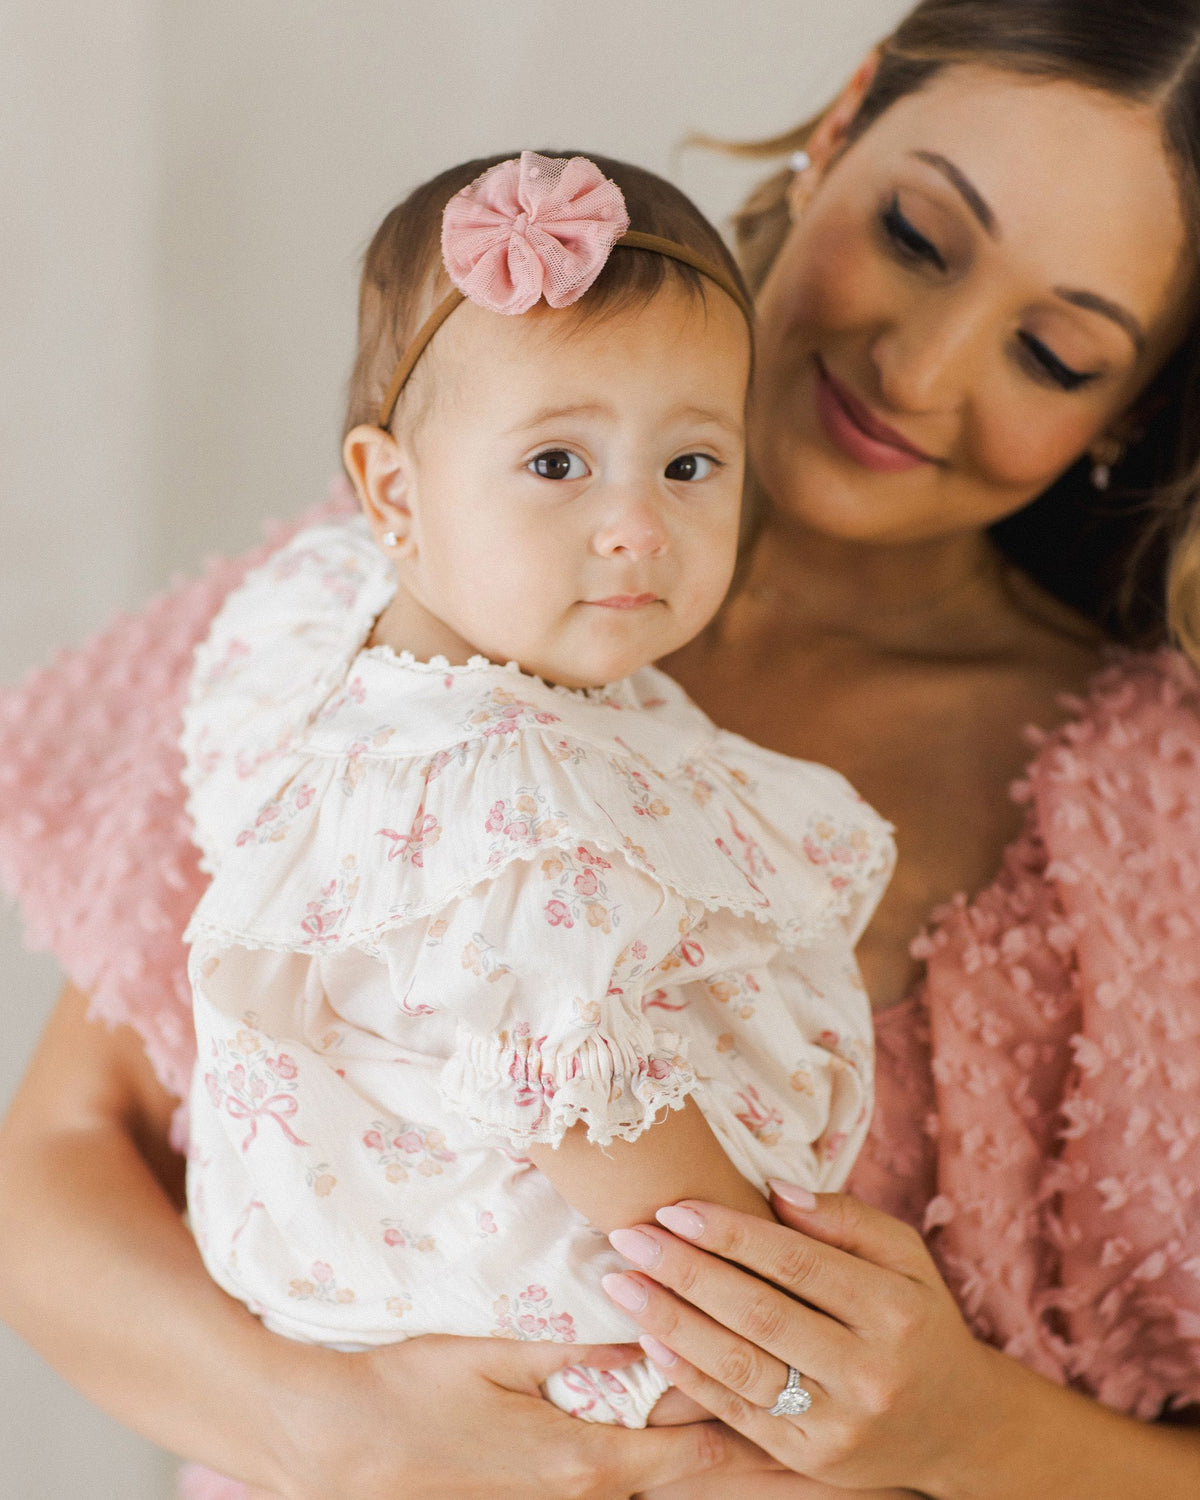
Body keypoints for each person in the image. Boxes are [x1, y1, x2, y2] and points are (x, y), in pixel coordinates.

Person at [3, 0, 1200, 1494]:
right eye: (917, 235)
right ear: (838, 133)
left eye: (1053, 349)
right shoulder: (406, 628)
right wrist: (339, 1433)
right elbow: (53, 1161)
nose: (925, 365)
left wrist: (974, 1433)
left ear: (1128, 407)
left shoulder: (1154, 814)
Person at [179, 146, 893, 1443]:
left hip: (381, 1307)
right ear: (393, 490)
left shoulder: (342, 624)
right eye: (558, 464)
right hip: (566, 1356)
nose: (636, 525)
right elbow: (611, 1133)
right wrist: (775, 1309)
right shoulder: (505, 807)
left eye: (690, 466)